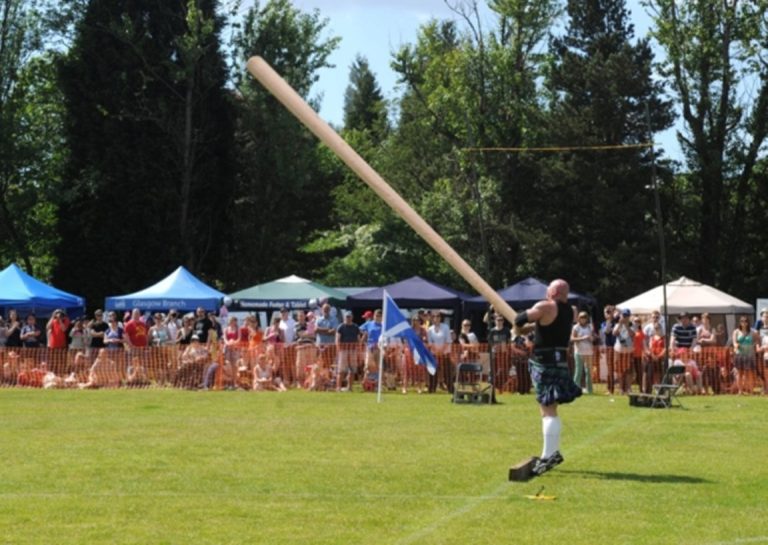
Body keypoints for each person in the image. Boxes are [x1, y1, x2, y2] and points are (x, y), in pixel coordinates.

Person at [513, 279, 581, 475]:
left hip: (544, 362)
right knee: (550, 408)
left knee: (547, 408)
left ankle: (548, 455)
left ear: (552, 292)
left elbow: (519, 319)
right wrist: (528, 330)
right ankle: (550, 452)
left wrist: (518, 328)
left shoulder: (545, 306)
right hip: (560, 361)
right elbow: (545, 327)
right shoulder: (571, 311)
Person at [732, 315, 759, 395]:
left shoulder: (752, 332)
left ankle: (751, 390)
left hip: (749, 354)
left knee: (750, 373)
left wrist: (754, 345)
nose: (744, 323)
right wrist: (736, 345)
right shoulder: (736, 331)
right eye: (742, 321)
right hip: (739, 354)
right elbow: (734, 342)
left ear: (748, 323)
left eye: (745, 321)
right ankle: (740, 391)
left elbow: (757, 341)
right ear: (740, 323)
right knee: (739, 373)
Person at [427, 311, 452, 393]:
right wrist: (436, 350)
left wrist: (442, 350)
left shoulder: (445, 327)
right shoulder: (430, 329)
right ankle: (432, 389)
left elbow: (448, 340)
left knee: (447, 371)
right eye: (434, 316)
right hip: (434, 353)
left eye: (438, 316)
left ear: (441, 318)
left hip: (445, 353)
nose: (436, 318)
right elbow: (430, 342)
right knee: (433, 371)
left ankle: (450, 389)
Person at [336, 311, 361, 391]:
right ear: (344, 317)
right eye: (346, 317)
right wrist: (338, 348)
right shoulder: (341, 327)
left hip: (353, 350)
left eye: (349, 317)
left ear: (352, 317)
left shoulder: (356, 327)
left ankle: (350, 387)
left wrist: (359, 348)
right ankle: (338, 387)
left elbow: (358, 339)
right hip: (343, 350)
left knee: (352, 369)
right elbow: (337, 339)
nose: (348, 318)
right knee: (341, 370)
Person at [571, 311, 594, 394]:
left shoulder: (590, 327)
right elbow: (572, 339)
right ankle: (575, 389)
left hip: (589, 352)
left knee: (589, 372)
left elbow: (593, 337)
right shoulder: (576, 327)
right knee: (578, 371)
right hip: (579, 352)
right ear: (578, 318)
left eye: (584, 317)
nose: (583, 319)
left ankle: (590, 390)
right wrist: (583, 338)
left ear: (587, 319)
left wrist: (592, 338)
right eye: (581, 317)